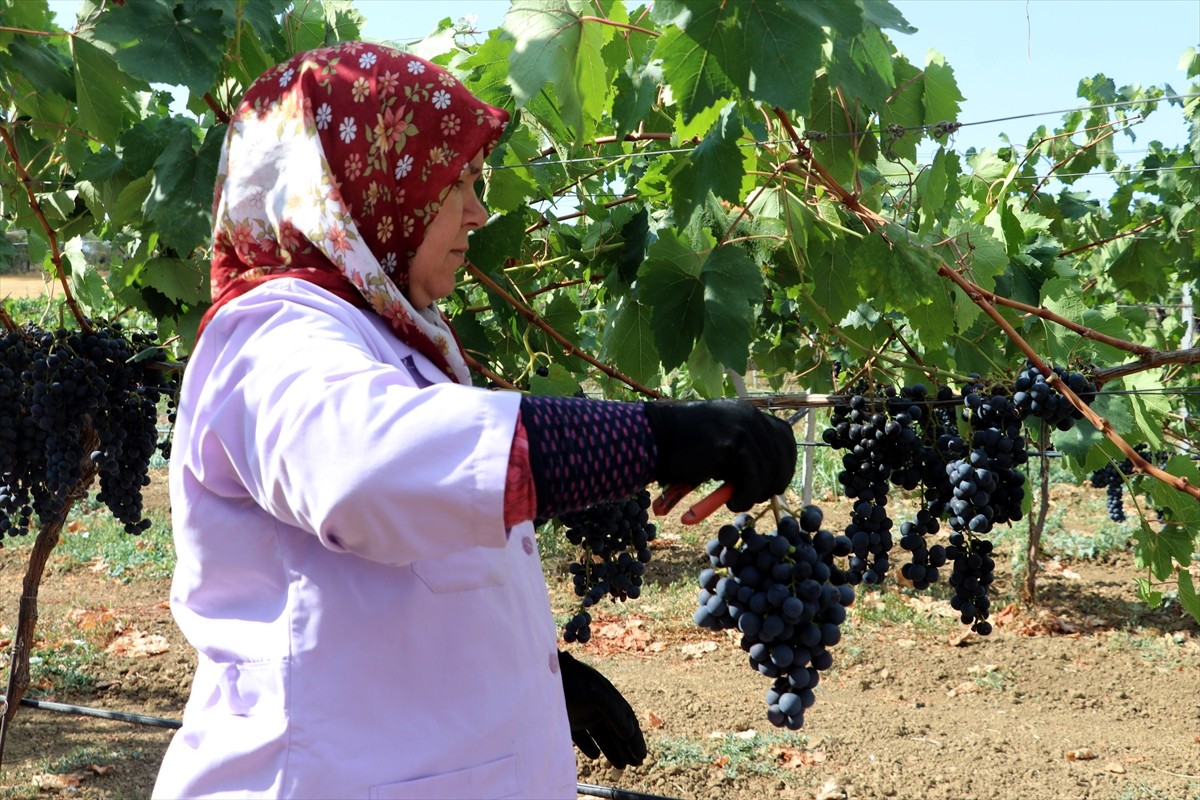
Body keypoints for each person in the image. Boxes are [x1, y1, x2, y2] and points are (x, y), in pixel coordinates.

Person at [152, 41, 796, 799]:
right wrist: (656, 438)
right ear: (366, 183)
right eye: (452, 181)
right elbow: (368, 474)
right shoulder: (272, 335)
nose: (478, 211)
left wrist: (522, 676)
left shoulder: (384, 342)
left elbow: (391, 579)